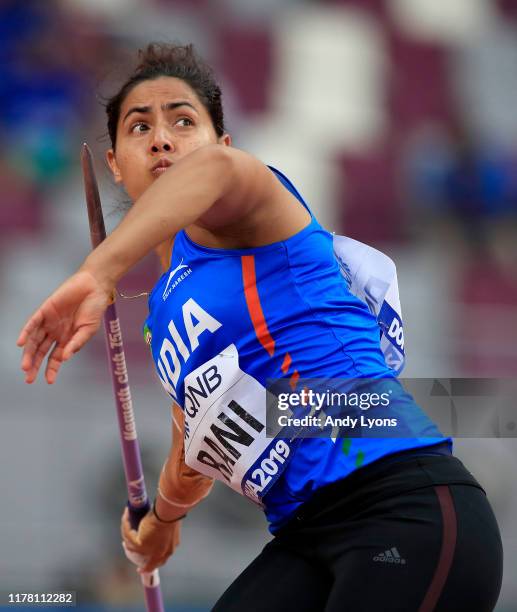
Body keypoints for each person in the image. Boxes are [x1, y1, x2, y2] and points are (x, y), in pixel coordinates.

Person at [18, 43, 503, 611]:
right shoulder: (164, 314)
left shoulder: (251, 207)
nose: (161, 138)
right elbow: (199, 439)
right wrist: (164, 520)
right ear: (116, 166)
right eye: (138, 126)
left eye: (183, 120)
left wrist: (98, 272)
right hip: (307, 534)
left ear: (220, 143)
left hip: (404, 504)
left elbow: (217, 175)